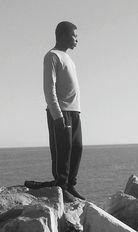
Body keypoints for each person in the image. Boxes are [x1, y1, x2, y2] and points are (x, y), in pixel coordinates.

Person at [43, 21, 85, 202]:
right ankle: (61, 187)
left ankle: (70, 185)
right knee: (63, 149)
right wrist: (57, 114)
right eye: (74, 35)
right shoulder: (52, 56)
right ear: (63, 36)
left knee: (77, 148)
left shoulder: (69, 58)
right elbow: (49, 88)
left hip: (75, 111)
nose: (77, 38)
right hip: (61, 111)